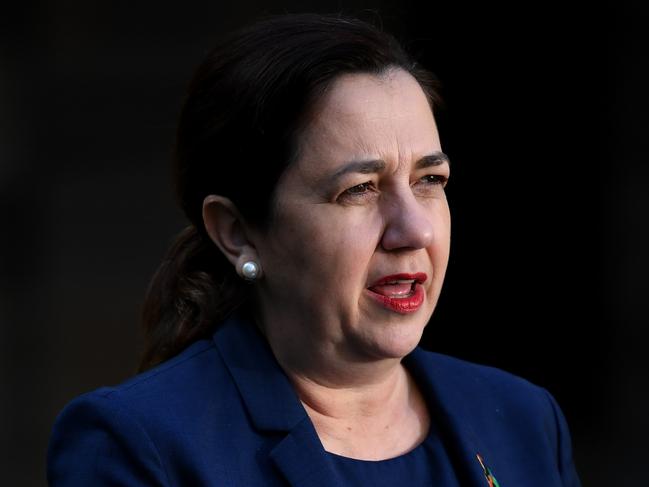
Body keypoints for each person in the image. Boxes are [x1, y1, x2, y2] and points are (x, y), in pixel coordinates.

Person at [47, 13, 582, 486]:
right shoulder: (142, 446)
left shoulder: (524, 421)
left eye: (430, 179)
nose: (413, 230)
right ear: (236, 231)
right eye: (359, 190)